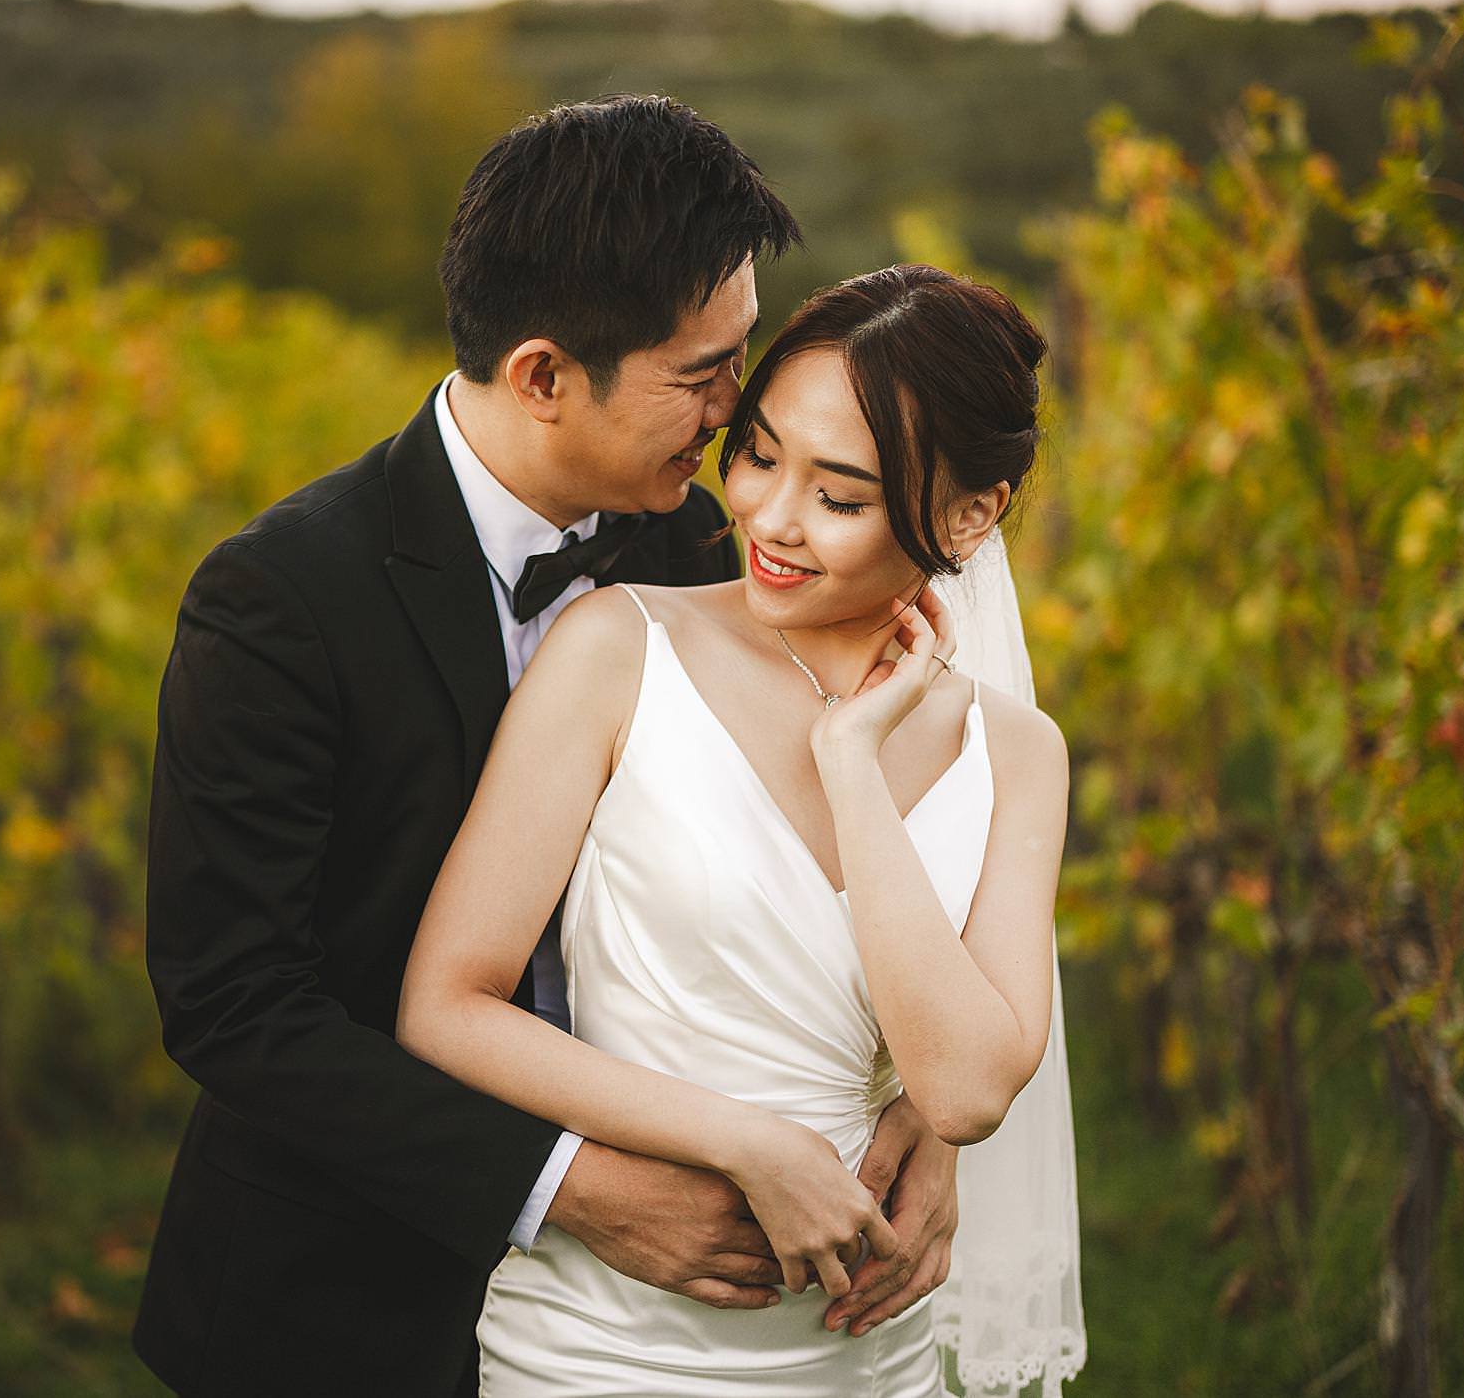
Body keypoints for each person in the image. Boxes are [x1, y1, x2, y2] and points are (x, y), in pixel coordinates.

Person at [133, 99, 967, 1396]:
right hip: (334, 1297)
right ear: (541, 374)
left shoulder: (711, 551)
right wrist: (566, 1183)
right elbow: (235, 1000)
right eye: (702, 374)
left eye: (740, 356)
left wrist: (925, 1111)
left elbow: (841, 866)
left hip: (678, 1327)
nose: (737, 414)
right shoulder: (279, 600)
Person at [398, 264, 1087, 1395]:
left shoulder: (1018, 754)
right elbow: (446, 1004)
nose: (766, 516)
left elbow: (964, 1092)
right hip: (601, 1350)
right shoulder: (615, 649)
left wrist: (851, 765)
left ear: (972, 514)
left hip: (867, 1359)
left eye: (841, 495)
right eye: (761, 453)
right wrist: (744, 1142)